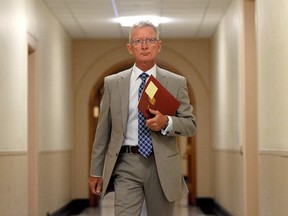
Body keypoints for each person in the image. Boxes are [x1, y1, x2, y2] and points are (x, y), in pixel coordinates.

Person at [88, 20, 196, 216]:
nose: (144, 45)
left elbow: (190, 124)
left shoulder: (176, 82)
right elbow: (103, 131)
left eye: (150, 40)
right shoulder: (113, 83)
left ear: (159, 45)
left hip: (161, 163)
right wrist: (96, 170)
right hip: (126, 162)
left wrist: (167, 122)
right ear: (130, 48)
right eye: (138, 41)